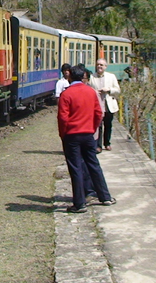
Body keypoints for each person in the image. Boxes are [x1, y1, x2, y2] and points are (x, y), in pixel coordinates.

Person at [58, 64, 116, 212]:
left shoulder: (66, 94)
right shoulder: (91, 92)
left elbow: (63, 118)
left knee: (76, 168)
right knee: (94, 164)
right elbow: (98, 114)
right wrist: (92, 128)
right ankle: (105, 197)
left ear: (70, 75)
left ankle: (80, 203)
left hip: (72, 135)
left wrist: (63, 134)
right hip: (88, 134)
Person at [89, 58, 120, 152]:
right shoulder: (92, 77)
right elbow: (88, 89)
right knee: (98, 125)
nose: (99, 66)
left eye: (101, 65)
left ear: (105, 67)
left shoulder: (111, 77)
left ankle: (107, 143)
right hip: (97, 105)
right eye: (98, 64)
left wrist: (109, 90)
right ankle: (98, 145)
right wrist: (94, 92)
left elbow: (118, 90)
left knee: (108, 125)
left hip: (108, 105)